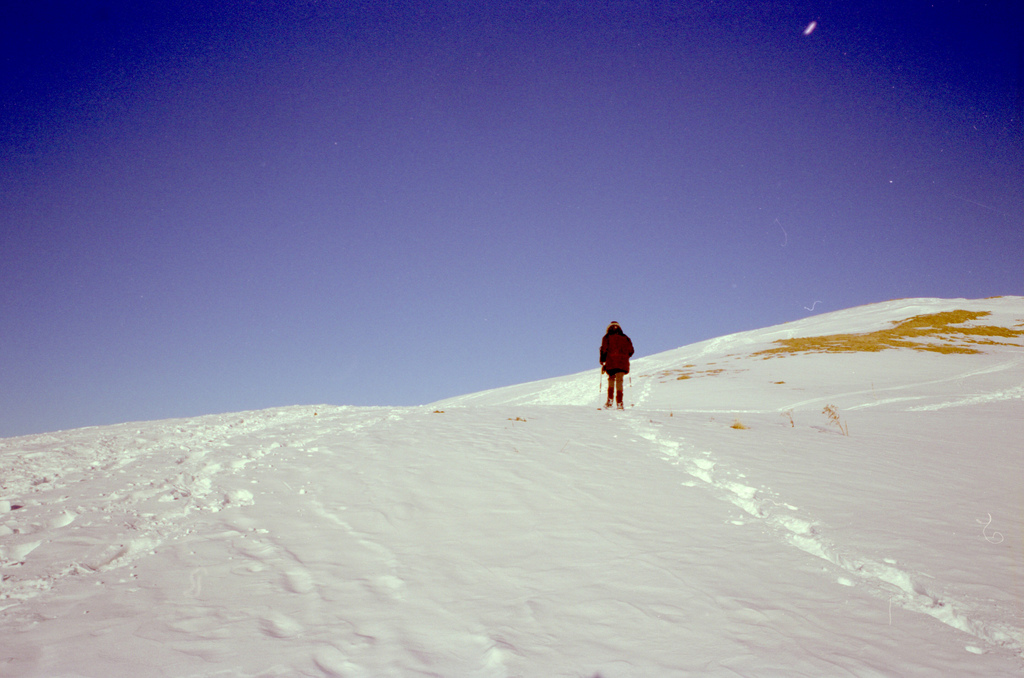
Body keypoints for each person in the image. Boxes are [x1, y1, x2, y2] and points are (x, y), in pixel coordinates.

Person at [600, 321, 634, 409]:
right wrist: (625, 356)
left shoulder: (607, 337)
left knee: (611, 379)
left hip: (611, 362)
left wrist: (602, 360)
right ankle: (620, 403)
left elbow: (604, 349)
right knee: (620, 381)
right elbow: (631, 350)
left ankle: (609, 401)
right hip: (622, 363)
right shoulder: (626, 338)